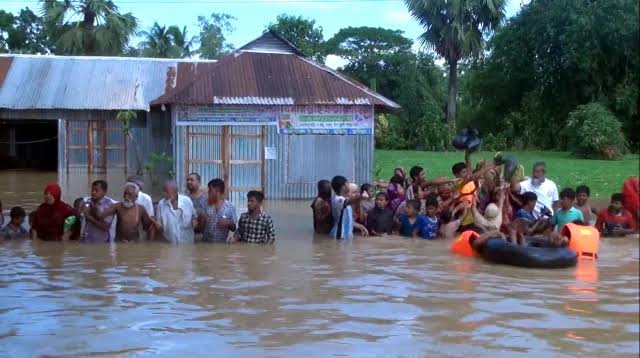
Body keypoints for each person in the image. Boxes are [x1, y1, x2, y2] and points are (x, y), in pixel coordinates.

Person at [329, 175, 367, 240]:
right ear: (343, 187)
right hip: (340, 235)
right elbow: (350, 200)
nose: (348, 186)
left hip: (346, 235)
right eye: (347, 184)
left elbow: (347, 220)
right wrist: (361, 196)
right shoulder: (338, 200)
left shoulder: (343, 200)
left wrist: (360, 226)